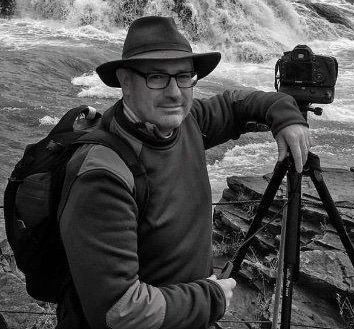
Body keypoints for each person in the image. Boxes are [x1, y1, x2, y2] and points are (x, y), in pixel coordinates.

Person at [56, 16, 312, 329]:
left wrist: (286, 115)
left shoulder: (185, 122)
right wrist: (210, 298)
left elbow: (236, 105)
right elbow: (118, 310)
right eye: (156, 78)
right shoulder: (102, 174)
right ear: (124, 81)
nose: (175, 93)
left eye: (184, 76)